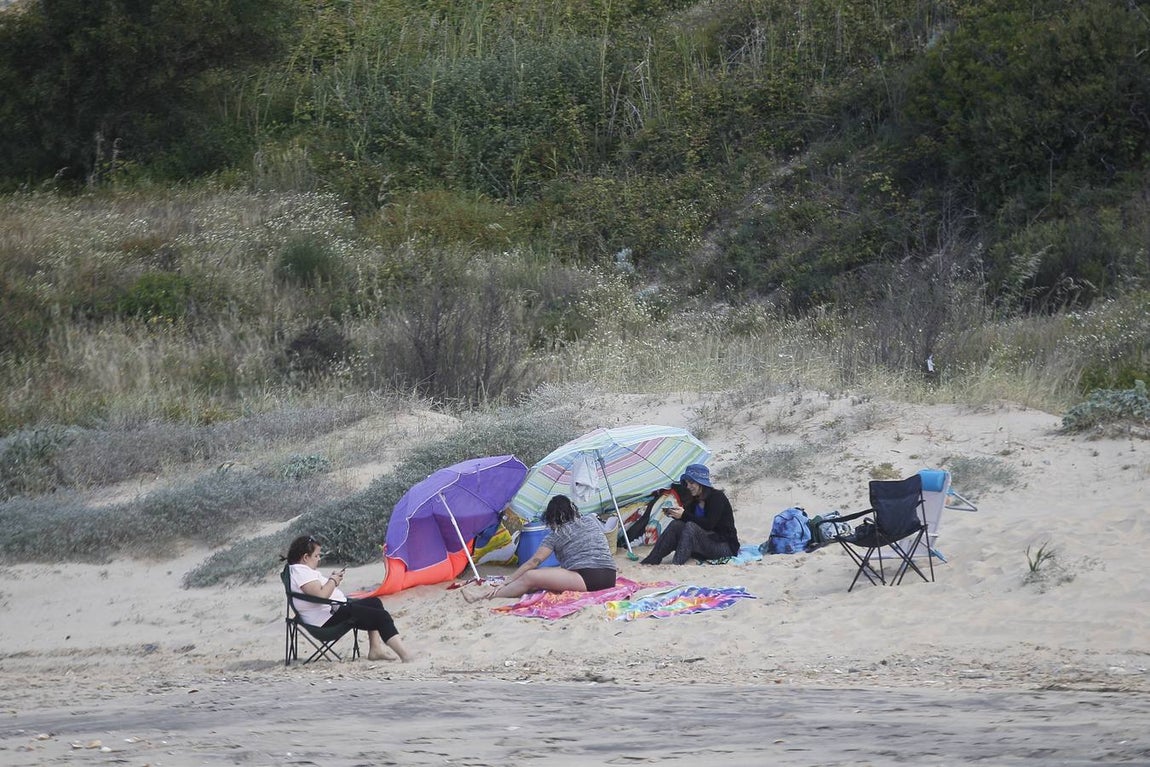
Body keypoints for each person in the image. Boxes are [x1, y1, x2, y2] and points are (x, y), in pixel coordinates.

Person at [284, 535, 416, 662]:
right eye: (316, 556)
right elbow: (321, 595)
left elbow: (317, 592)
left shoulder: (300, 571)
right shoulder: (301, 571)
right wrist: (333, 580)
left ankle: (375, 650)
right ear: (305, 557)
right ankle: (405, 656)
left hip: (330, 612)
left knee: (374, 603)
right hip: (326, 621)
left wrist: (332, 580)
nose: (319, 559)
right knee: (381, 616)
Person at [463, 495, 617, 602]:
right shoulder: (590, 521)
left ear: (551, 517)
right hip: (610, 576)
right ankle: (506, 590)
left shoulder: (556, 535)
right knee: (539, 581)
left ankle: (485, 597)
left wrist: (508, 580)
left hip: (588, 580)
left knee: (531, 577)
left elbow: (533, 562)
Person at [639, 463, 739, 565]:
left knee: (691, 527)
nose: (688, 486)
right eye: (687, 483)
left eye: (691, 483)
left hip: (724, 546)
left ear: (701, 483)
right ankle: (652, 559)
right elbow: (687, 522)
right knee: (676, 525)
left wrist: (684, 515)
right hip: (703, 544)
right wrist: (676, 515)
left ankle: (677, 564)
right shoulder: (694, 499)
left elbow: (709, 524)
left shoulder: (717, 498)